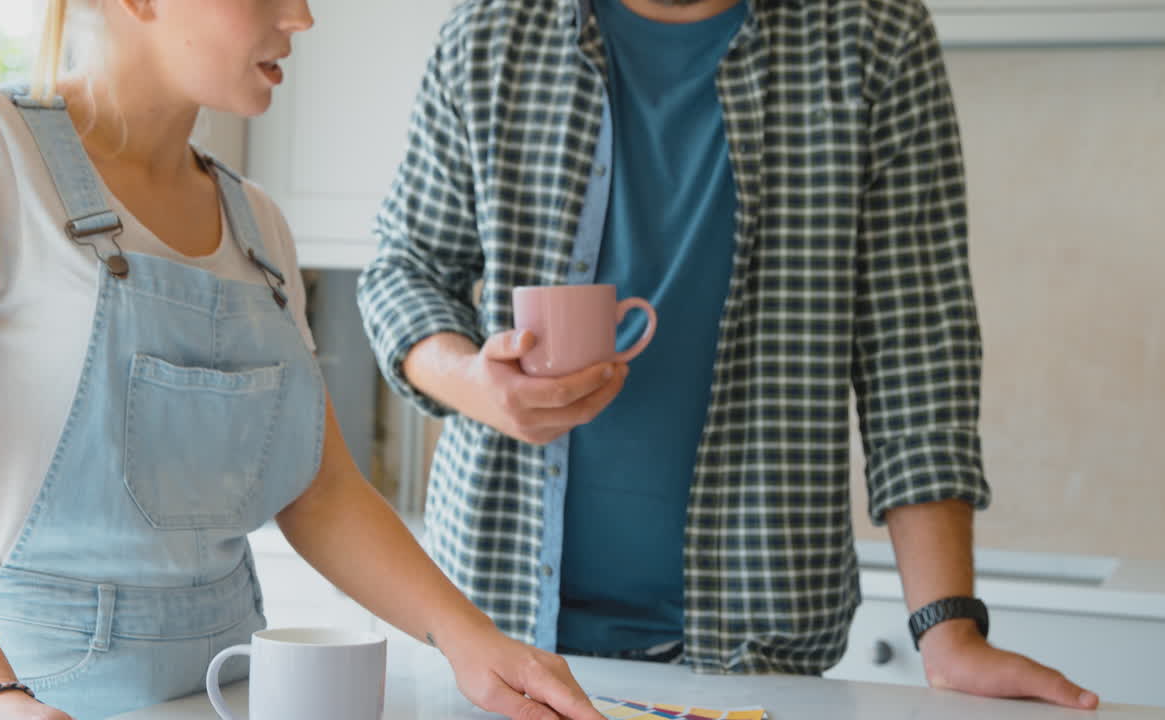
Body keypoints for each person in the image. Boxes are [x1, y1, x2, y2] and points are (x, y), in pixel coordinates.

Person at [358, 0, 1100, 709]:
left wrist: (949, 630)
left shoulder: (875, 35)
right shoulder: (489, 36)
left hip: (757, 656)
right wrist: (469, 382)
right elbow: (404, 269)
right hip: (497, 637)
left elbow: (917, 350)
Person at [0, 1, 605, 719]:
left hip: (228, 691)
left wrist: (473, 642)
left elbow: (320, 491)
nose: (300, 18)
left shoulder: (258, 226)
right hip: (18, 692)